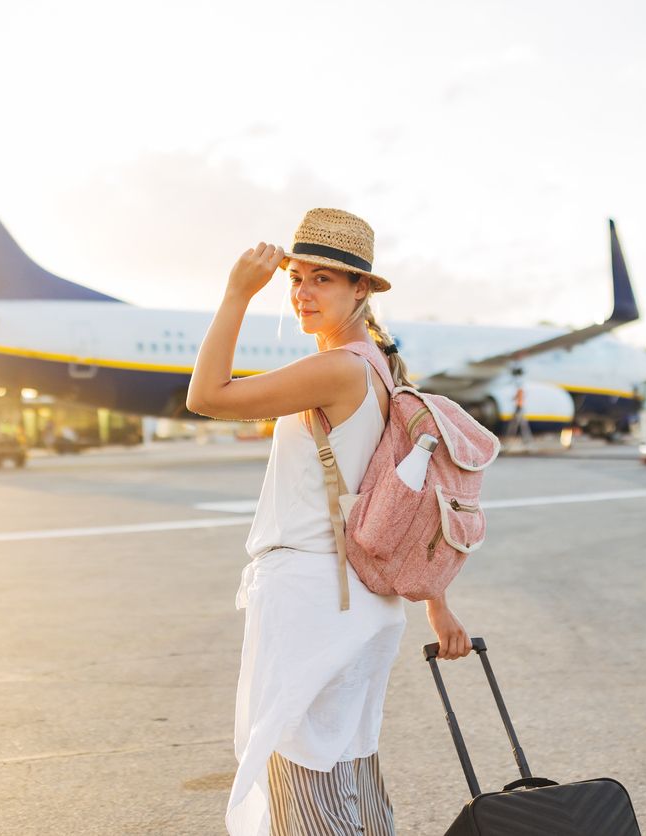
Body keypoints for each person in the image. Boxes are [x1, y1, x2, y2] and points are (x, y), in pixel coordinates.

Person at [187, 208, 472, 836]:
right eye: (296, 278)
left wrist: (236, 293)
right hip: (361, 604)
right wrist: (435, 601)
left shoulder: (339, 368)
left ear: (360, 290)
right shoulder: (382, 368)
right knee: (348, 779)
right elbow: (406, 495)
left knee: (306, 789)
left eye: (323, 279)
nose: (302, 293)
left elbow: (206, 396)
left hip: (315, 597)